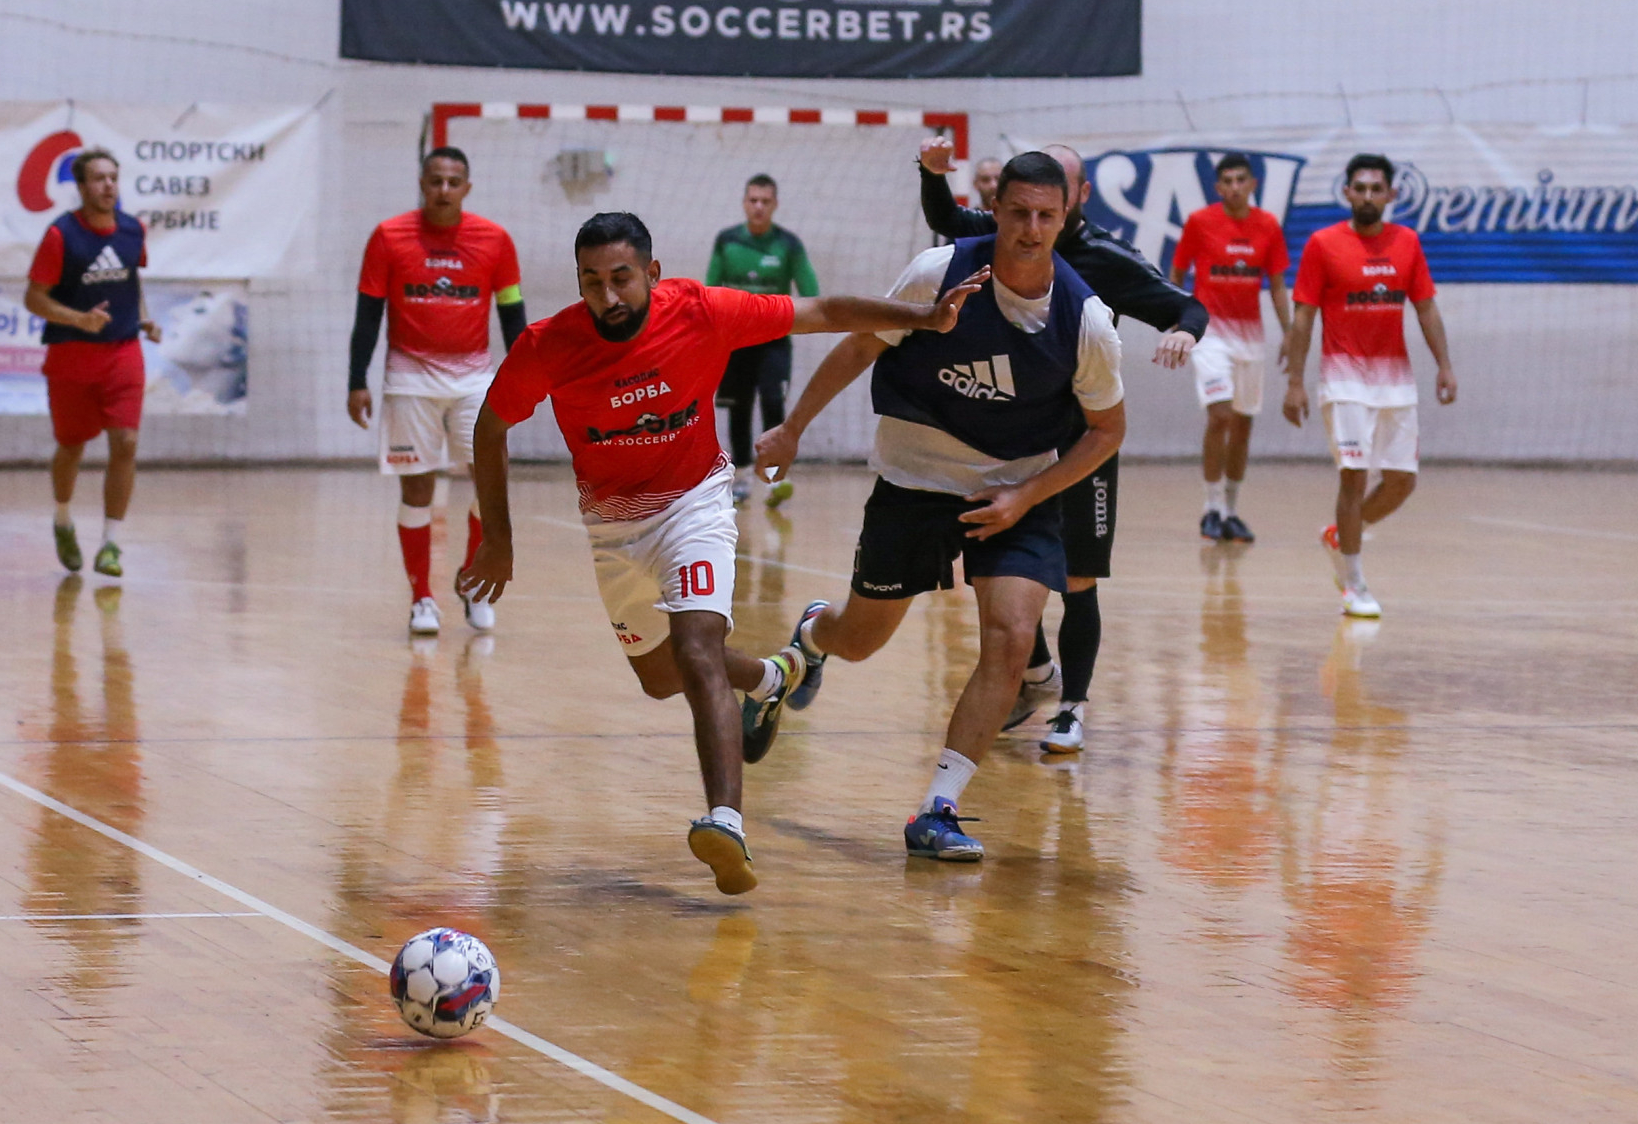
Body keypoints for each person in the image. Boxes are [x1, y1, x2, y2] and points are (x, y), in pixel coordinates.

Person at [458, 212, 984, 895]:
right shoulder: (547, 345)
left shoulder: (700, 311)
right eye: (592, 282)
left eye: (621, 278)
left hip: (696, 504)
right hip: (613, 524)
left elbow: (823, 310)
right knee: (658, 676)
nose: (608, 296)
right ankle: (772, 676)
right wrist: (497, 536)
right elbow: (490, 426)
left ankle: (726, 822)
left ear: (652, 273)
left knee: (697, 644)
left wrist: (924, 316)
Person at [757, 152, 1127, 860]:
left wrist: (1025, 496)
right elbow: (860, 345)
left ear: (1066, 218)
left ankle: (938, 808)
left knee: (1012, 638)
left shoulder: (1086, 320)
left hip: (1014, 490)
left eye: (1046, 216)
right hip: (916, 478)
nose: (1031, 228)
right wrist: (794, 427)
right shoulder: (940, 271)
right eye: (1018, 212)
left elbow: (1108, 430)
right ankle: (815, 635)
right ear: (996, 210)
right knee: (861, 638)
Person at [916, 137, 1206, 753]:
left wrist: (1184, 331)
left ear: (1077, 197)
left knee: (1077, 577)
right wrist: (931, 172)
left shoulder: (1106, 258)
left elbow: (1185, 306)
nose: (1034, 220)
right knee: (996, 563)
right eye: (1025, 203)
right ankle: (1037, 675)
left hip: (1081, 442)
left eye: (1054, 197)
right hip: (1014, 435)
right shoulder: (1005, 234)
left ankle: (1071, 707)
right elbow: (945, 217)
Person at [349, 146, 528, 635]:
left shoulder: (495, 240)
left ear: (467, 188)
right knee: (418, 490)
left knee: (490, 483)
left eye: (453, 182)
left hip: (474, 382)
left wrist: (524, 380)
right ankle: (422, 600)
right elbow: (367, 316)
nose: (444, 190)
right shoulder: (388, 237)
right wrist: (356, 380)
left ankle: (472, 581)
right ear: (422, 184)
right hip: (409, 381)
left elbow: (513, 315)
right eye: (435, 181)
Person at [1282, 153, 1458, 619]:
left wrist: (1444, 366)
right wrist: (1295, 382)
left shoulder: (1408, 242)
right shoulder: (1322, 244)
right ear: (1346, 192)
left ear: (1391, 194)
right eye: (1359, 188)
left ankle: (1339, 535)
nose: (1367, 196)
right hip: (1344, 382)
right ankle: (1354, 583)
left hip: (1396, 382)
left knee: (1402, 482)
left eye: (1376, 189)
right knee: (1354, 476)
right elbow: (1304, 317)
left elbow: (1426, 308)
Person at [25, 148, 159, 579]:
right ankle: (63, 519)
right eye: (99, 178)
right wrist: (79, 319)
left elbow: (131, 279)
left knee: (126, 443)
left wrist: (143, 318)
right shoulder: (60, 235)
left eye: (113, 177)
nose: (108, 185)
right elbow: (34, 298)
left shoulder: (133, 230)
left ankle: (111, 543)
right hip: (71, 356)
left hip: (123, 353)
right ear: (81, 187)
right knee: (71, 446)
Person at [1170, 153, 1292, 542]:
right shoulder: (1199, 222)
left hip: (1250, 338)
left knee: (1242, 423)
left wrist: (1290, 333)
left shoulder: (1268, 225)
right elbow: (1176, 273)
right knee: (1220, 415)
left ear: (1252, 184)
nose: (1235, 187)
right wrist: (1176, 318)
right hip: (1210, 334)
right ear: (1218, 187)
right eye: (1228, 181)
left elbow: (1277, 285)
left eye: (1241, 180)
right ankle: (1210, 507)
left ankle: (1230, 511)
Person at [705, 174, 820, 508]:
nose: (758, 207)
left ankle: (773, 478)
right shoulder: (727, 240)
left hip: (774, 341)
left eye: (765, 201)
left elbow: (811, 292)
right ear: (744, 203)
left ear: (775, 205)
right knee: (738, 407)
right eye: (753, 200)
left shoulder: (788, 244)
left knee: (773, 403)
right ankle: (741, 477)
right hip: (736, 341)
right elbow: (709, 289)